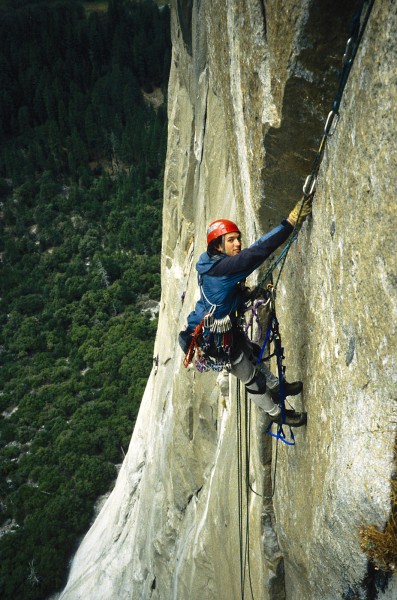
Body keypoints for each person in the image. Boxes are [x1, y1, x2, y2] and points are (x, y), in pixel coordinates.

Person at [178, 197, 313, 427]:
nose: (237, 243)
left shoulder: (210, 263)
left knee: (251, 353)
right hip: (213, 339)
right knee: (250, 377)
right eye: (231, 240)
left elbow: (225, 296)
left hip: (221, 330)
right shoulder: (223, 268)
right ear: (218, 246)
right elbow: (258, 251)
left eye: (238, 238)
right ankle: (275, 413)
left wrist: (245, 296)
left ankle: (277, 387)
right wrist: (289, 222)